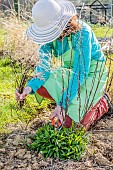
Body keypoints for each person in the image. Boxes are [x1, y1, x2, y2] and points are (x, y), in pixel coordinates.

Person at [15, 0, 113, 131]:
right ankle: (71, 103)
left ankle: (103, 103)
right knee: (39, 86)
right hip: (71, 71)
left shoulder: (83, 33)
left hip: (92, 73)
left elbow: (80, 72)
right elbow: (43, 66)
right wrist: (28, 88)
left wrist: (62, 105)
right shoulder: (47, 37)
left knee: (74, 127)